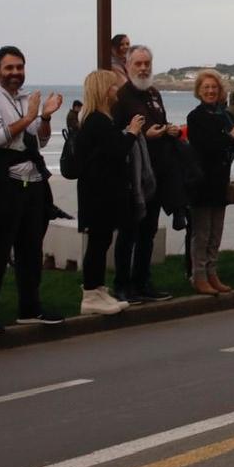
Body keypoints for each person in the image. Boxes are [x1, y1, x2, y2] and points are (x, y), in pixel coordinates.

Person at [0, 46, 65, 335]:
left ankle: (30, 308)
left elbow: (40, 141)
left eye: (19, 67)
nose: (15, 73)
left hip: (30, 183)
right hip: (0, 183)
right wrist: (30, 116)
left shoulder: (24, 98)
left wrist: (44, 117)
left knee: (30, 249)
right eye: (9, 68)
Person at [114, 45, 182, 303]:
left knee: (148, 232)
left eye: (147, 64)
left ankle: (143, 282)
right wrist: (144, 134)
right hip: (132, 176)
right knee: (128, 232)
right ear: (128, 66)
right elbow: (117, 133)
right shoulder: (121, 96)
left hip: (155, 174)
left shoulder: (154, 93)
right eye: (138, 64)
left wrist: (167, 130)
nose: (143, 68)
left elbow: (158, 122)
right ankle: (122, 285)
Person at [69, 69, 132, 316]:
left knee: (103, 239)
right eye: (114, 87)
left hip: (103, 190)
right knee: (98, 241)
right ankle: (90, 293)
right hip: (98, 192)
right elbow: (115, 151)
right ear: (105, 90)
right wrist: (133, 133)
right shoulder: (97, 120)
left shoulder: (101, 118)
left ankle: (98, 289)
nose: (117, 91)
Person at [185, 70, 234, 296]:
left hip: (220, 181)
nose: (210, 91)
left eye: (214, 88)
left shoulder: (224, 115)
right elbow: (206, 146)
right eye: (206, 88)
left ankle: (212, 272)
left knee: (215, 232)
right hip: (201, 181)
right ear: (199, 91)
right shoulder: (196, 116)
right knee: (201, 233)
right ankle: (198, 275)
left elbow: (233, 146)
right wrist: (230, 136)